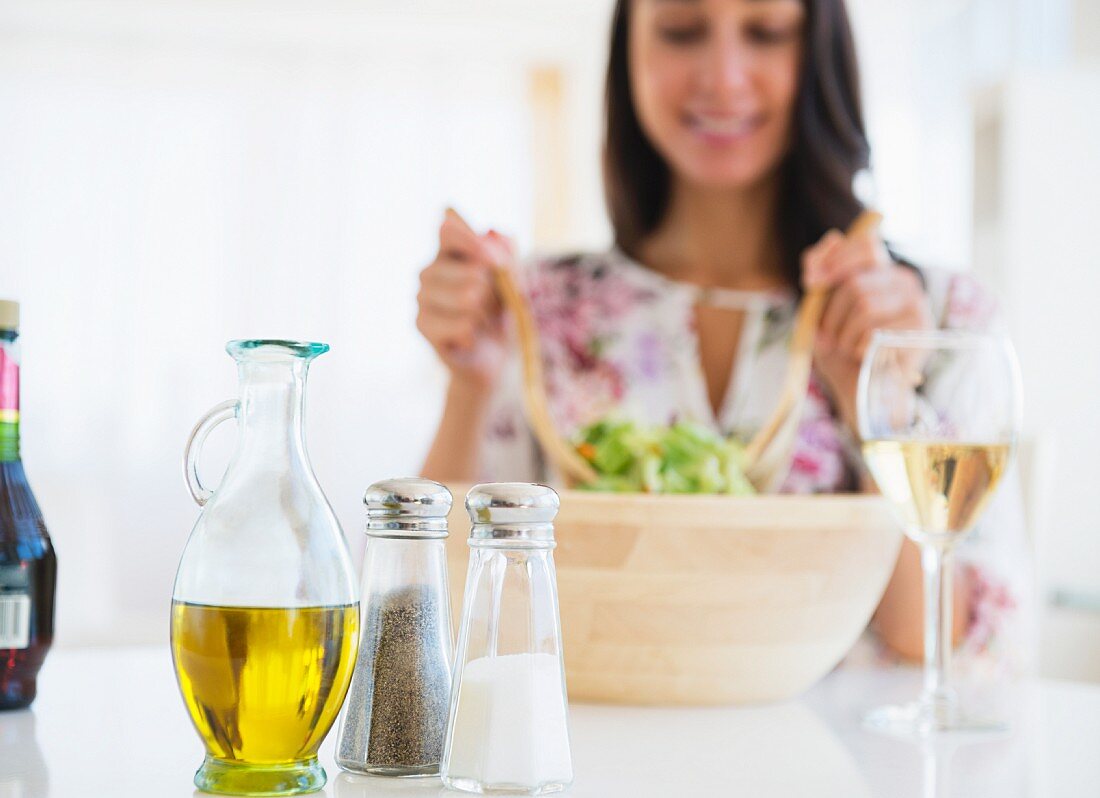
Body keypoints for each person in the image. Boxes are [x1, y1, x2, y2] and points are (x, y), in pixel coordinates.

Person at [415, 0, 1026, 669]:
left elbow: (944, 650)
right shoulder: (535, 311)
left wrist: (878, 402)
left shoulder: (939, 318)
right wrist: (469, 386)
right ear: (630, 52)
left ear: (818, 52)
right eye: (681, 31)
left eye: (766, 33)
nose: (724, 78)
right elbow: (434, 617)